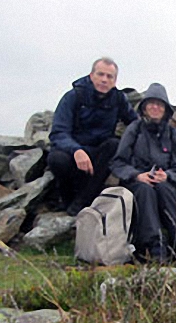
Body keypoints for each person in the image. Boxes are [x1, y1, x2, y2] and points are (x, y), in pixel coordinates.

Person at [111, 83, 176, 267]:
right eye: (151, 104)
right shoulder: (134, 129)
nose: (155, 107)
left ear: (166, 109)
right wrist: (136, 175)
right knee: (145, 190)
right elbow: (118, 163)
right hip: (136, 183)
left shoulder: (173, 134)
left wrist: (167, 175)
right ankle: (152, 246)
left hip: (164, 183)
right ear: (144, 107)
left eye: (160, 104)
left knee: (164, 189)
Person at [47, 57, 138, 216]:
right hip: (72, 152)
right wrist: (76, 150)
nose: (104, 80)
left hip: (97, 156)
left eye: (109, 76)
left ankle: (82, 201)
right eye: (100, 74)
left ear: (115, 81)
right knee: (56, 160)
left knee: (114, 145)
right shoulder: (74, 96)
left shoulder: (118, 99)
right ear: (91, 75)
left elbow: (135, 124)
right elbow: (58, 132)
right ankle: (66, 199)